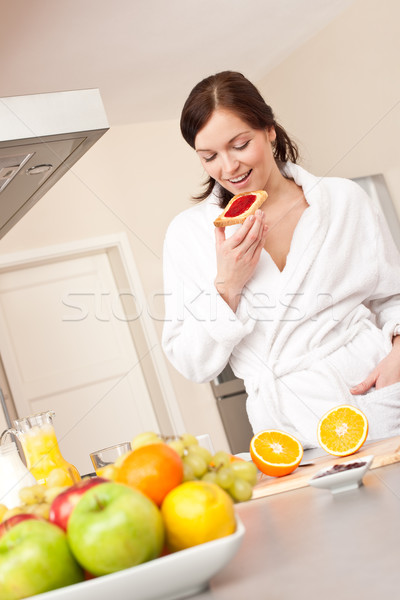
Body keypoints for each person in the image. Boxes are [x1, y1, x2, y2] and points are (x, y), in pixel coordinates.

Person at [162, 70, 400, 448]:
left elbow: (393, 297)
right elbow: (193, 362)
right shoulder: (188, 235)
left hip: (377, 396)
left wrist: (398, 355)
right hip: (287, 428)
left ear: (269, 130)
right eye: (209, 156)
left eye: (240, 145)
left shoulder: (342, 201)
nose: (228, 167)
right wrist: (228, 285)